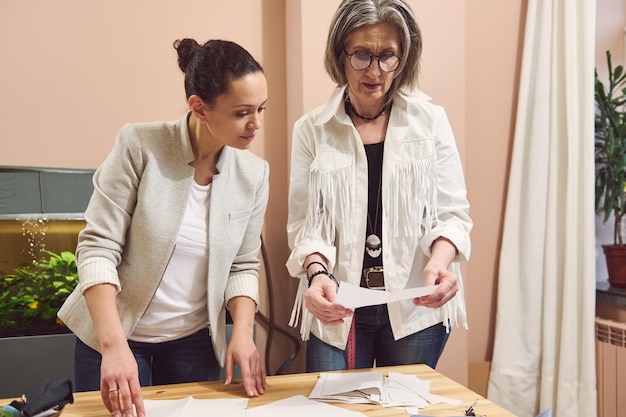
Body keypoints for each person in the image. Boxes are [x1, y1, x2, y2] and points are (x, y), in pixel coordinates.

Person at [58, 38, 269, 417]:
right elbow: (97, 249)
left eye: (260, 109)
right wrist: (113, 346)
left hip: (194, 343)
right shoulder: (140, 145)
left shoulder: (253, 174)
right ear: (199, 108)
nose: (256, 124)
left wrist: (241, 331)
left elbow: (242, 265)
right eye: (242, 112)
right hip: (116, 336)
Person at [286, 0, 472, 373]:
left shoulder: (430, 122)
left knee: (404, 410)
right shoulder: (312, 130)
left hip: (412, 307)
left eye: (388, 56)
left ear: (404, 59)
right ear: (340, 56)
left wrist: (439, 263)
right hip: (339, 306)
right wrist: (318, 274)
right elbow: (306, 227)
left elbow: (453, 215)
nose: (375, 71)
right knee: (333, 410)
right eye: (361, 55)